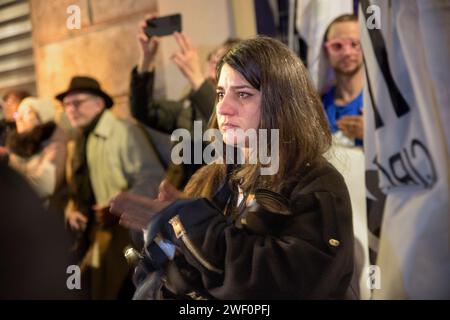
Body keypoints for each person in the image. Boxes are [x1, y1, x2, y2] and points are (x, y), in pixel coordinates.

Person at [111, 36, 355, 299]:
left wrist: (191, 223)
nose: (223, 108)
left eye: (243, 94)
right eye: (220, 93)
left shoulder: (317, 186)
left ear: (281, 102)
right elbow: (177, 281)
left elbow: (283, 285)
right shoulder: (212, 178)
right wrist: (165, 236)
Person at [56, 76, 165, 299]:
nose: (70, 109)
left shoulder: (122, 132)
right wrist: (72, 211)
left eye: (77, 103)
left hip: (124, 238)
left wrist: (119, 206)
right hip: (92, 235)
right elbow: (74, 191)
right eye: (66, 104)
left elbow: (152, 178)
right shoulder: (78, 140)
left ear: (99, 103)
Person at [130, 15, 239, 187]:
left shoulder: (243, 106)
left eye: (224, 58)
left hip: (219, 199)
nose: (214, 59)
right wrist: (146, 59)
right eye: (214, 55)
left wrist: (197, 80)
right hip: (184, 194)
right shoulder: (190, 104)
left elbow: (226, 129)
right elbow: (144, 111)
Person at [5, 97, 67, 203]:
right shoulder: (17, 149)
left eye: (27, 112)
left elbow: (44, 186)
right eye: (18, 113)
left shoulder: (54, 146)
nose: (19, 118)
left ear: (40, 118)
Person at [322, 14, 364, 147]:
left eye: (354, 44)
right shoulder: (318, 107)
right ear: (326, 51)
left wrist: (375, 133)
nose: (347, 52)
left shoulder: (382, 100)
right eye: (337, 46)